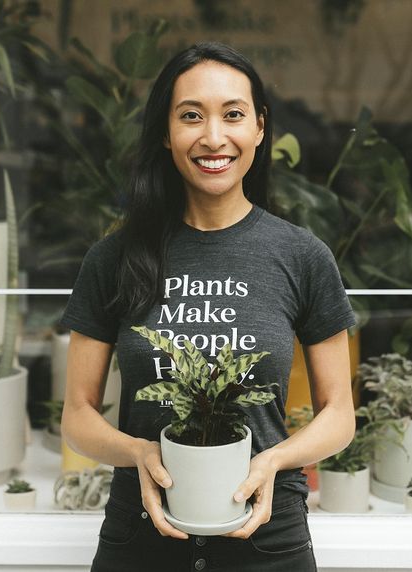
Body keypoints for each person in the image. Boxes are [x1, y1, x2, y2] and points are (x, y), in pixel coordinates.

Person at [59, 41, 356, 572]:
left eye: (233, 115)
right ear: (166, 133)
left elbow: (339, 415)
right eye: (191, 116)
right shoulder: (114, 258)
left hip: (266, 539)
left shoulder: (302, 256)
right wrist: (139, 452)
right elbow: (78, 417)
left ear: (259, 128)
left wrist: (274, 460)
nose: (213, 137)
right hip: (141, 535)